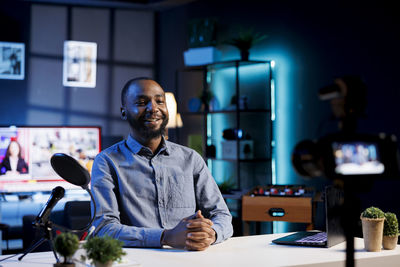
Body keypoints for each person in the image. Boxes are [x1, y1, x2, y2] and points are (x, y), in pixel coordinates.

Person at [91, 77, 233, 251]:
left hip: (190, 259)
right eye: (142, 102)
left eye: (160, 101)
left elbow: (222, 215)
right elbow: (103, 229)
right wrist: (166, 237)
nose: (153, 108)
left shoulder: (191, 159)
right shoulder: (106, 162)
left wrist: (211, 233)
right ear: (124, 112)